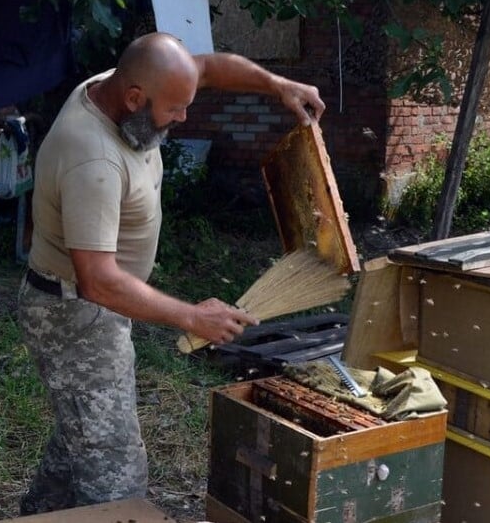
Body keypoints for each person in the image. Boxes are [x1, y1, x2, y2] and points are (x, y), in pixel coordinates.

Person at [16, 32, 325, 515]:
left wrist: (277, 83)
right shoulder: (93, 158)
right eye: (174, 109)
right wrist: (191, 317)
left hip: (92, 304)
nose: (184, 118)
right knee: (115, 468)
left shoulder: (122, 84)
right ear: (135, 98)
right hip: (72, 314)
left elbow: (209, 67)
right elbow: (97, 279)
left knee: (85, 427)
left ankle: (37, 516)